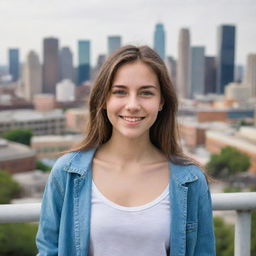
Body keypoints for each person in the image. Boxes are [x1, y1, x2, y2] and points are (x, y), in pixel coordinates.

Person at [36, 45, 216, 256]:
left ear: (161, 102)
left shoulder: (191, 180)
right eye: (120, 92)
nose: (132, 105)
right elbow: (48, 251)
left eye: (146, 93)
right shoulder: (67, 173)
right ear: (104, 100)